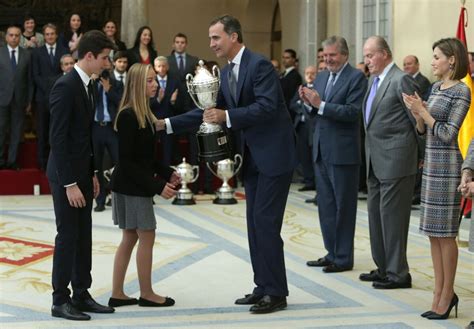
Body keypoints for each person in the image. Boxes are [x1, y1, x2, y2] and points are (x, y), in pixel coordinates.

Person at [158, 14, 297, 314]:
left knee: (265, 224)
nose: (211, 44)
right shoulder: (226, 71)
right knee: (254, 225)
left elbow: (267, 106)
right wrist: (165, 124)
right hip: (253, 158)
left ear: (233, 36)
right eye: (210, 38)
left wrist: (227, 117)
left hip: (274, 156)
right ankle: (263, 286)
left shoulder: (258, 65)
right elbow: (208, 110)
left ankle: (276, 292)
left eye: (216, 37)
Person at [47, 30, 116, 321]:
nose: (108, 64)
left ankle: (81, 293)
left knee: (84, 235)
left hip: (83, 175)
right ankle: (60, 300)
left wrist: (94, 174)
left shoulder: (89, 85)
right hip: (66, 177)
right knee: (68, 236)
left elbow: (85, 137)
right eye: (104, 58)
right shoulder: (66, 86)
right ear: (89, 56)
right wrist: (70, 183)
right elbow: (58, 139)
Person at [402, 37, 470, 320]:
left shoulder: (462, 92)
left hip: (448, 167)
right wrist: (416, 113)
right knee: (433, 235)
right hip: (431, 165)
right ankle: (439, 292)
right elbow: (423, 131)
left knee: (446, 236)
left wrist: (425, 113)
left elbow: (447, 134)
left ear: (451, 60)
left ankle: (447, 293)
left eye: (436, 57)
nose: (433, 61)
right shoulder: (434, 87)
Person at [108, 63, 179, 308]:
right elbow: (127, 162)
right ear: (138, 84)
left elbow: (146, 158)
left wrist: (167, 172)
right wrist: (157, 186)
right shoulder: (128, 115)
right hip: (130, 186)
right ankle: (147, 293)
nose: (155, 84)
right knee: (146, 235)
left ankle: (117, 293)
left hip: (132, 183)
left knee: (130, 237)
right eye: (149, 81)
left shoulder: (146, 114)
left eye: (155, 80)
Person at [300, 36, 367, 273]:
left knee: (344, 207)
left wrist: (320, 104)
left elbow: (352, 112)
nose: (328, 59)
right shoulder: (321, 76)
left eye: (332, 55)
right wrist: (307, 103)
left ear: (345, 55)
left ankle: (343, 258)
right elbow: (315, 115)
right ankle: (331, 252)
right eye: (325, 56)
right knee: (326, 206)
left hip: (343, 153)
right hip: (321, 150)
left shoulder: (356, 77)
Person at [360, 36, 420, 289]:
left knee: (393, 219)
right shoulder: (373, 81)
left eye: (370, 55)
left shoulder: (400, 79)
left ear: (384, 54)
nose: (367, 61)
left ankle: (398, 274)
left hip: (397, 160)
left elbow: (417, 119)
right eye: (365, 56)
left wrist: (421, 156)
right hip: (374, 160)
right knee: (375, 216)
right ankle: (383, 267)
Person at [32, 23, 69, 170]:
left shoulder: (64, 51)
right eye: (47, 34)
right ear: (44, 36)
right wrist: (49, 89)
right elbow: (35, 75)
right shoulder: (37, 52)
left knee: (59, 131)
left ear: (56, 35)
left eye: (52, 34)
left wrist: (56, 89)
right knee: (42, 131)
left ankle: (58, 164)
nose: (50, 36)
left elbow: (67, 73)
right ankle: (42, 163)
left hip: (61, 98)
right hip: (42, 98)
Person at [0, 24, 33, 170]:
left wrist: (29, 100)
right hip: (2, 98)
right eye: (11, 35)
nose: (14, 38)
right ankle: (0, 160)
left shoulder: (27, 54)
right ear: (6, 37)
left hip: (20, 99)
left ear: (20, 37)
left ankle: (12, 161)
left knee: (16, 131)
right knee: (0, 130)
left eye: (16, 35)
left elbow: (30, 79)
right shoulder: (0, 52)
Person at [290, 65, 317, 192]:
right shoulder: (300, 88)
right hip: (300, 126)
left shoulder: (318, 88)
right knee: (303, 155)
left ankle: (316, 182)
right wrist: (303, 105)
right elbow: (292, 104)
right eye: (307, 73)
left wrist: (304, 104)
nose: (309, 76)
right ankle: (308, 181)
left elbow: (314, 106)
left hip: (312, 126)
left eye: (312, 73)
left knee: (313, 155)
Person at [150, 56, 179, 167]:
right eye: (159, 66)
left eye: (163, 66)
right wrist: (158, 99)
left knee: (168, 150)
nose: (161, 68)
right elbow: (147, 103)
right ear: (155, 67)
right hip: (154, 119)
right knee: (152, 149)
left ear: (167, 67)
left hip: (169, 120)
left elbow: (181, 104)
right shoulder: (150, 81)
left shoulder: (174, 81)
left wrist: (173, 101)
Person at [280, 48, 302, 118]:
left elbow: (292, 96)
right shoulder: (282, 74)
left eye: (287, 58)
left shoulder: (295, 76)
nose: (284, 60)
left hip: (288, 112)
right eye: (283, 57)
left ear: (293, 59)